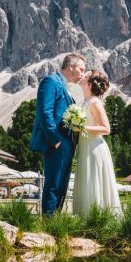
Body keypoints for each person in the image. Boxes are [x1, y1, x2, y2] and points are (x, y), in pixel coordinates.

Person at [31, 53, 86, 216]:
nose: (82, 74)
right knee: (54, 183)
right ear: (71, 67)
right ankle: (48, 225)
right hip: (56, 143)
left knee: (62, 184)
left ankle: (56, 223)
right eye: (81, 69)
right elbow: (44, 112)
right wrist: (55, 140)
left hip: (67, 145)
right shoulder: (50, 81)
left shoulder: (65, 87)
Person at [72, 71, 122, 216]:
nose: (82, 75)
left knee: (93, 183)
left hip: (94, 149)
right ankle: (86, 219)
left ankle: (98, 217)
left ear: (90, 84)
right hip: (85, 147)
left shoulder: (94, 103)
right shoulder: (85, 102)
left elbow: (106, 128)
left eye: (86, 75)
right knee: (87, 183)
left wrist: (81, 127)